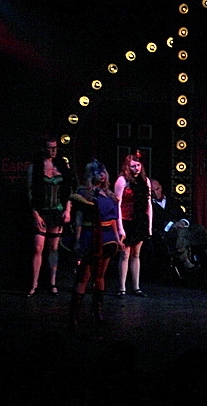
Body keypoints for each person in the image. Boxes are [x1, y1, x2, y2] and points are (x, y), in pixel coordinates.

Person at [68, 159, 124, 332]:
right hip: (90, 235)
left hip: (107, 238)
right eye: (97, 172)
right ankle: (74, 315)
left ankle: (97, 312)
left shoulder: (110, 195)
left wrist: (118, 239)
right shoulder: (84, 193)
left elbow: (113, 220)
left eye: (103, 171)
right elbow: (78, 219)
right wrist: (77, 240)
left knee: (100, 275)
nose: (102, 175)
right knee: (84, 275)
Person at [26, 135, 73, 297]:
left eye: (55, 148)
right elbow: (30, 192)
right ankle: (34, 284)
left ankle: (52, 282)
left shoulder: (61, 166)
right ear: (43, 149)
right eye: (50, 148)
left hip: (57, 211)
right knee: (38, 247)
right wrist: (35, 214)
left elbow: (68, 190)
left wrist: (68, 210)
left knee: (54, 248)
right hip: (41, 210)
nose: (53, 151)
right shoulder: (35, 167)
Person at [151, 179, 207, 269]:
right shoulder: (149, 205)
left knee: (199, 229)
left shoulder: (171, 200)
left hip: (180, 227)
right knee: (181, 232)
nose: (155, 193)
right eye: (152, 191)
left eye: (157, 189)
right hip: (165, 231)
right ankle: (185, 260)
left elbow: (182, 214)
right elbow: (154, 221)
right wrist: (173, 225)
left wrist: (183, 222)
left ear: (161, 187)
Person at [114, 151, 152, 298]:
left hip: (139, 221)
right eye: (133, 166)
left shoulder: (145, 181)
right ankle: (122, 287)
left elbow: (148, 204)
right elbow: (117, 205)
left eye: (138, 165)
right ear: (127, 167)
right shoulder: (122, 180)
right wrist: (120, 227)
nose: (136, 168)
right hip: (125, 220)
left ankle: (136, 287)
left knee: (136, 254)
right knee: (125, 254)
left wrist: (149, 226)